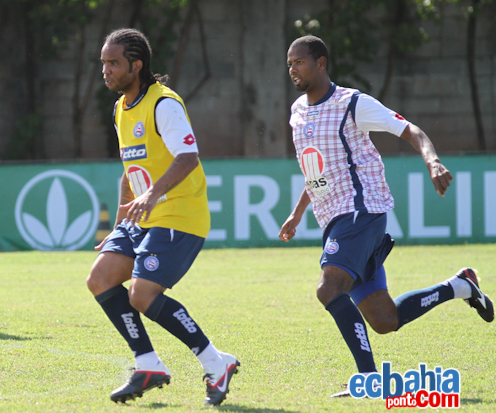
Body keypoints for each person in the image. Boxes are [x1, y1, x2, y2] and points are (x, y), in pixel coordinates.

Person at [280, 35, 494, 397]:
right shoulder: (297, 111)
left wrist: (433, 160)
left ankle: (368, 381)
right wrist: (297, 212)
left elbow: (410, 129)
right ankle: (460, 285)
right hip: (334, 217)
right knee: (384, 320)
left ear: (321, 63)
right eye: (289, 63)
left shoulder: (353, 103)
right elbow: (315, 169)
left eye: (299, 62)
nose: (293, 69)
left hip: (362, 211)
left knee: (328, 288)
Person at [87, 28, 239, 406]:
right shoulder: (121, 107)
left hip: (179, 214)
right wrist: (123, 219)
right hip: (142, 218)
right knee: (100, 278)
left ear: (136, 65)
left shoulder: (163, 104)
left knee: (142, 294)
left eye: (113, 63)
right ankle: (148, 364)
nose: (105, 69)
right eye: (103, 62)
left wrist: (151, 196)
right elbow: (130, 167)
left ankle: (216, 363)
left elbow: (188, 158)